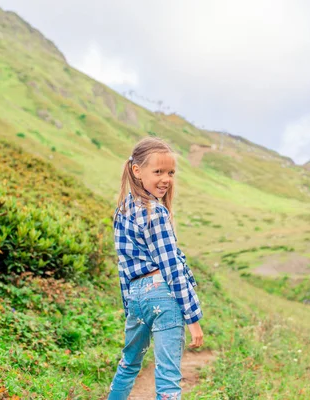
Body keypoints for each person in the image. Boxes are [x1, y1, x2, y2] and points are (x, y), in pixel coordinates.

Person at [108, 137, 204, 400]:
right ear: (137, 171)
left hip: (137, 296)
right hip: (163, 295)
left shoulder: (122, 210)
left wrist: (130, 304)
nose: (166, 179)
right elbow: (171, 267)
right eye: (158, 171)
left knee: (128, 365)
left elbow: (123, 266)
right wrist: (193, 318)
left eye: (170, 172)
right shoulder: (155, 212)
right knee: (168, 378)